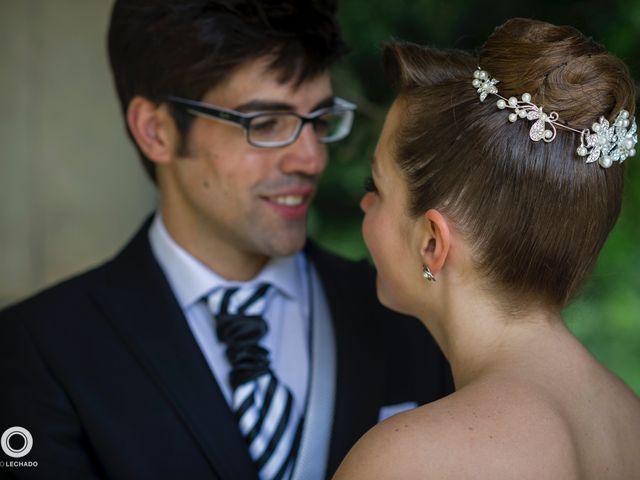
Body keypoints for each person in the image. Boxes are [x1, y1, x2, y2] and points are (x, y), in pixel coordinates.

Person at [0, 1, 452, 479]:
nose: (311, 159)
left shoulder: (410, 316)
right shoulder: (37, 349)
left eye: (318, 120)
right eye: (265, 123)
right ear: (156, 131)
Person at [333, 18, 640, 480]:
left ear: (433, 243)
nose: (363, 203)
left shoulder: (411, 460)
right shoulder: (629, 419)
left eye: (374, 186)